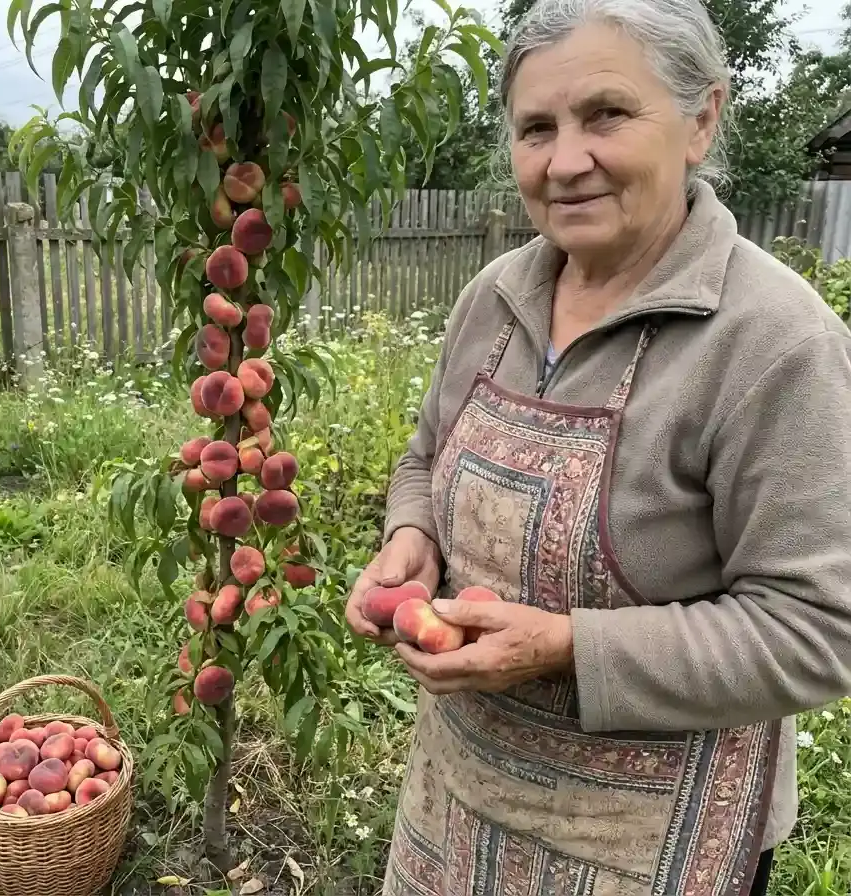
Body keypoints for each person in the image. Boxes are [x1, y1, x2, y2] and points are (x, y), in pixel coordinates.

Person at [344, 1, 851, 894]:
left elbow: (820, 629)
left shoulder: (773, 342)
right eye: (535, 128)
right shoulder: (496, 298)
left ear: (702, 119)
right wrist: (411, 538)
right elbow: (424, 457)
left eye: (606, 114)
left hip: (651, 838)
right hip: (459, 795)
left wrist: (570, 647)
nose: (566, 160)